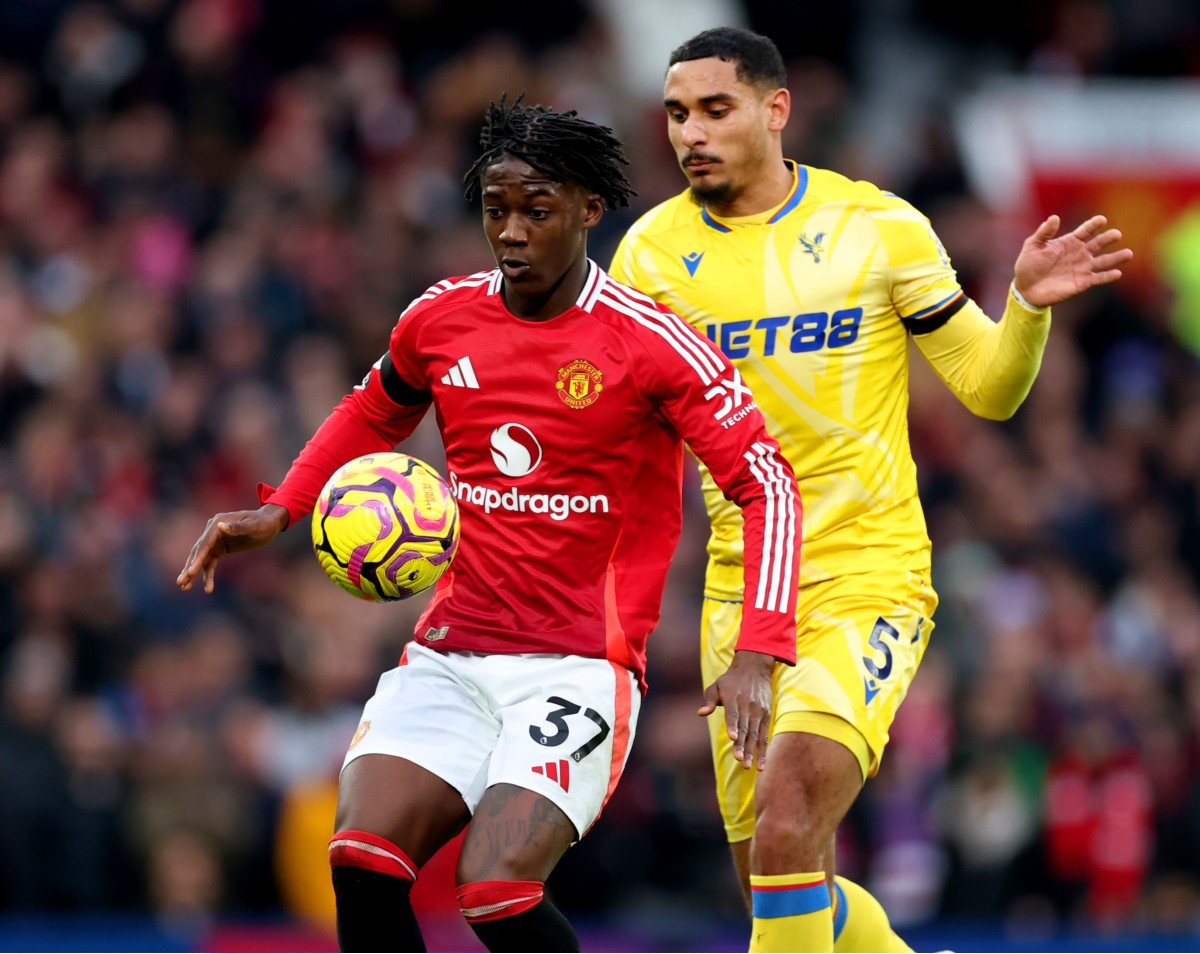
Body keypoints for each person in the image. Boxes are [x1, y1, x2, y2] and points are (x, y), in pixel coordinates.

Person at [176, 95, 802, 954]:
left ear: (588, 209)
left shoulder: (651, 343)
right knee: (361, 855)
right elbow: (374, 411)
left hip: (578, 669)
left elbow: (765, 480)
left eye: (535, 211)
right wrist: (283, 507)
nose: (510, 232)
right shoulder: (442, 317)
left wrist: (760, 650)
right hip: (453, 653)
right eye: (495, 210)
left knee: (494, 888)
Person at [609, 26, 1133, 954]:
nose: (691, 132)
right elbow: (624, 434)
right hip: (740, 594)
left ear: (776, 111)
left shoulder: (879, 228)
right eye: (678, 114)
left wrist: (1024, 313)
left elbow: (990, 388)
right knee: (778, 878)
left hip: (869, 576)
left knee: (789, 815)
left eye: (716, 109)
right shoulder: (649, 257)